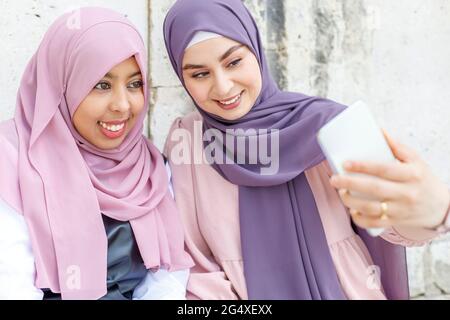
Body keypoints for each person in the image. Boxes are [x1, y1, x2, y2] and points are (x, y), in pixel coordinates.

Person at [162, 0, 450, 299]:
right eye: (199, 74)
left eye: (234, 62)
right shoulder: (188, 138)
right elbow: (194, 262)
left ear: (256, 51)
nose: (222, 87)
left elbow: (396, 226)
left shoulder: (330, 125)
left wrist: (433, 213)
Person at [0, 7, 193, 300]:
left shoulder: (148, 166)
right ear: (60, 85)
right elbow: (11, 287)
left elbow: (167, 277)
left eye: (134, 84)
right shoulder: (11, 161)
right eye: (101, 85)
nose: (123, 105)